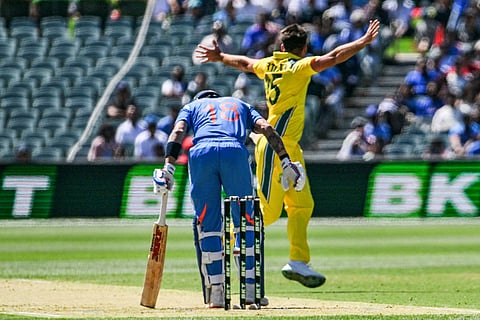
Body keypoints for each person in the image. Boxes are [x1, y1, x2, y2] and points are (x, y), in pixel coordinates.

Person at [195, 19, 380, 288]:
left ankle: (298, 261)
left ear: (281, 45)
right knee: (267, 213)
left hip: (290, 147)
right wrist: (362, 42)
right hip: (274, 145)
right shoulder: (298, 67)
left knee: (302, 205)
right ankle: (231, 240)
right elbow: (334, 56)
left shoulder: (269, 64)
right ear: (303, 49)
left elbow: (246, 63)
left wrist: (220, 56)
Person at [153, 90, 305, 308]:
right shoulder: (240, 104)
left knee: (208, 223)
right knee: (246, 221)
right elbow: (268, 129)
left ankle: (216, 293)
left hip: (201, 153)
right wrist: (286, 162)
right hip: (234, 151)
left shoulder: (192, 107)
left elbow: (178, 131)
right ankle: (250, 292)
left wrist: (168, 166)